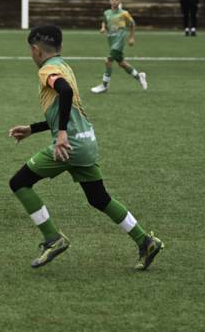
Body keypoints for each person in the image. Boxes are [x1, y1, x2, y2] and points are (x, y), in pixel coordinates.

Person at [9, 24, 162, 270]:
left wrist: (60, 135)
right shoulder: (64, 65)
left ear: (36, 50)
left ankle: (53, 238)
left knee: (19, 183)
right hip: (87, 139)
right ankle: (145, 240)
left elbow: (65, 91)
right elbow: (66, 107)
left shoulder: (47, 70)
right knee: (98, 198)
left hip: (70, 144)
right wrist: (33, 128)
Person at [90, 0, 147, 94]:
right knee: (122, 64)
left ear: (120, 1)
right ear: (109, 1)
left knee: (108, 61)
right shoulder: (106, 13)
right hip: (111, 40)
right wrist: (103, 28)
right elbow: (104, 21)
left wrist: (131, 37)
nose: (114, 1)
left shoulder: (124, 13)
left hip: (119, 40)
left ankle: (104, 85)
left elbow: (132, 24)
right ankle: (139, 76)